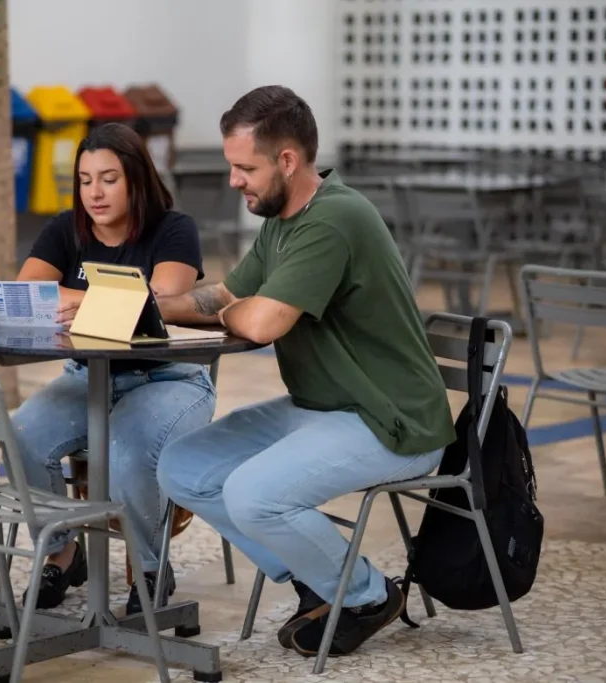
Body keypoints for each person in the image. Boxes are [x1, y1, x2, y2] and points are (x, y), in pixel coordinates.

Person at [155, 86, 457, 657]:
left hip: (390, 420)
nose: (233, 181)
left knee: (250, 494)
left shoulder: (332, 219)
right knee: (183, 465)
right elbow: (225, 296)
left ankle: (367, 595)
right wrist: (143, 305)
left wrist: (237, 309)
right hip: (324, 409)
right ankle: (318, 583)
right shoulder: (282, 221)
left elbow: (262, 322)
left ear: (287, 161)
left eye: (245, 167)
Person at [11, 122, 216, 614]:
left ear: (136, 180)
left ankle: (148, 568)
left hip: (168, 378)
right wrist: (100, 301)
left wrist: (78, 298)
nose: (94, 193)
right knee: (20, 434)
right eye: (84, 180)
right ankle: (62, 552)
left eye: (108, 178)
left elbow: (162, 297)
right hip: (87, 379)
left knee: (126, 451)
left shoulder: (173, 228)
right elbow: (29, 293)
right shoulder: (65, 229)